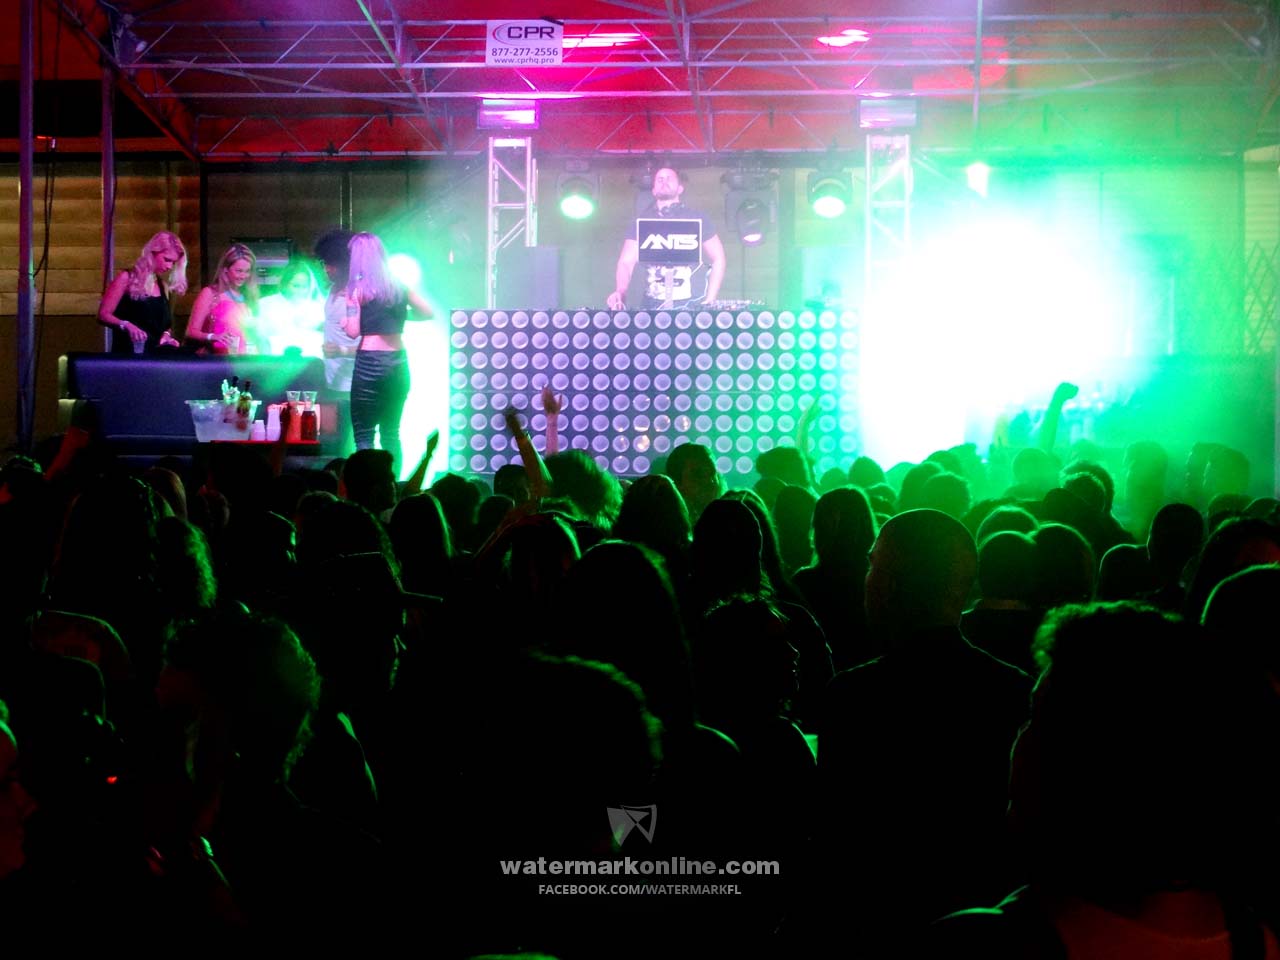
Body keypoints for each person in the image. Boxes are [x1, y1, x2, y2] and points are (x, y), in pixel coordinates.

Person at [343, 232, 433, 476]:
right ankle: (394, 485)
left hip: (369, 362)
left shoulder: (356, 289)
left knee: (364, 434)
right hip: (397, 362)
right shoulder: (399, 285)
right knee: (391, 433)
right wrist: (400, 318)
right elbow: (427, 313)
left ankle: (367, 486)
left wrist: (345, 322)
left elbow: (352, 332)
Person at [606, 166, 726, 310]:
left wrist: (710, 299)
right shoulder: (642, 221)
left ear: (680, 188)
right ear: (653, 190)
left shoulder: (697, 218)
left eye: (669, 178)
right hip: (651, 303)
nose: (664, 182)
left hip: (688, 303)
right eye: (660, 179)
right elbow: (626, 262)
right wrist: (621, 291)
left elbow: (718, 258)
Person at [97, 230, 188, 354]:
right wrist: (126, 325)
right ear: (153, 253)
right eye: (167, 259)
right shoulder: (126, 278)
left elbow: (165, 325)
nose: (169, 266)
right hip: (127, 354)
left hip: (154, 357)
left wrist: (166, 336)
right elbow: (103, 314)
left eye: (173, 262)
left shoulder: (162, 285)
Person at [186, 243, 260, 354]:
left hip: (247, 358)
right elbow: (191, 332)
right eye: (239, 271)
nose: (243, 276)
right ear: (226, 269)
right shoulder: (211, 293)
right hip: (219, 359)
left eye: (247, 271)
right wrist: (213, 336)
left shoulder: (249, 296)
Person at [256, 261, 323, 356]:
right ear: (285, 283)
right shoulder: (265, 304)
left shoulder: (316, 308)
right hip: (275, 361)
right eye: (296, 286)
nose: (301, 291)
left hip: (309, 362)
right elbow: (258, 338)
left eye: (304, 287)